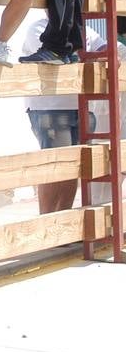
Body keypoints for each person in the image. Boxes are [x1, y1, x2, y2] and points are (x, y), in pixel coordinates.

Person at [21, 15, 110, 213]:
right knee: (55, 166)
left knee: (73, 167)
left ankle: (62, 225)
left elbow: (107, 50)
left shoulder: (84, 29)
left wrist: (98, 55)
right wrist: (93, 56)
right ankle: (47, 223)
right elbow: (62, 59)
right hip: (51, 106)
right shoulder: (39, 27)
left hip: (81, 106)